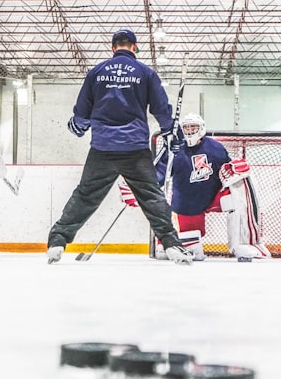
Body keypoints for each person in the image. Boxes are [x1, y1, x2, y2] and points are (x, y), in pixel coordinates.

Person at [46, 28, 193, 265]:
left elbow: (83, 111)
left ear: (113, 48)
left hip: (102, 148)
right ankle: (172, 245)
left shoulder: (97, 72)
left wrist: (79, 125)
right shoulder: (146, 73)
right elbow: (161, 108)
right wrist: (171, 133)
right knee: (152, 197)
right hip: (134, 148)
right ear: (134, 47)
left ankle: (57, 242)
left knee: (85, 196)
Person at [138, 112, 270, 261]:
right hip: (187, 203)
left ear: (201, 129)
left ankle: (244, 244)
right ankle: (169, 245)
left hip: (214, 196)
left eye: (193, 127)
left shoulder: (215, 148)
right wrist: (142, 189)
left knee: (240, 191)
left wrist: (234, 171)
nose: (189, 131)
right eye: (186, 128)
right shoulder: (174, 149)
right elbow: (159, 174)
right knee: (194, 251)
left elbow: (228, 171)